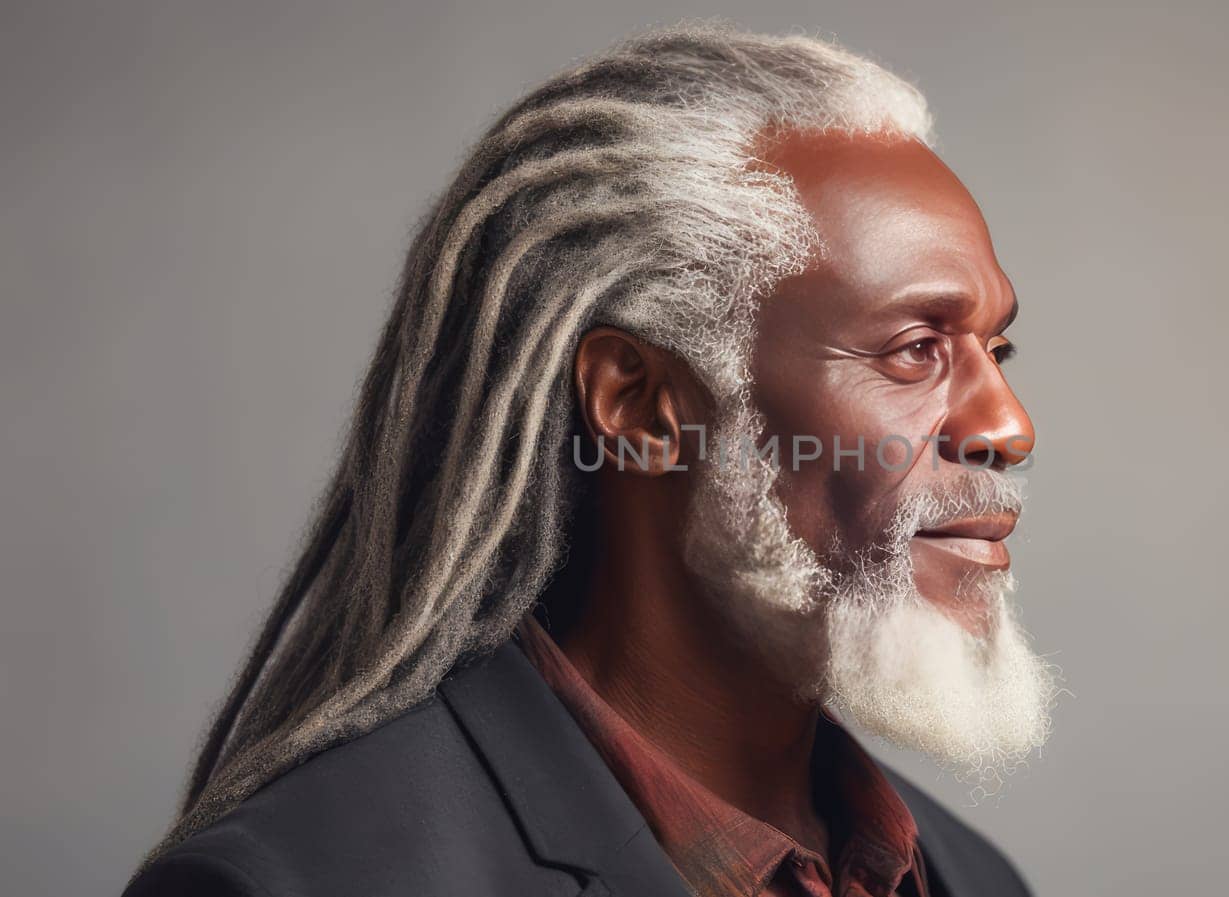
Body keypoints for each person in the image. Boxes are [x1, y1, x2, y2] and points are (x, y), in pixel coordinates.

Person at [123, 23, 1059, 897]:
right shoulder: (302, 879)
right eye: (913, 349)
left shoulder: (969, 876)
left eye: (996, 351)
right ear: (642, 405)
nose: (1007, 426)